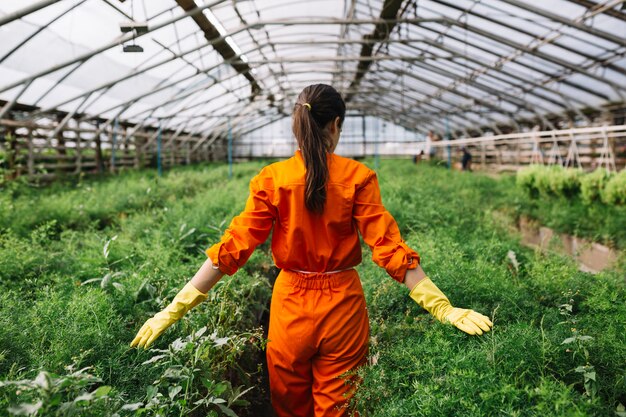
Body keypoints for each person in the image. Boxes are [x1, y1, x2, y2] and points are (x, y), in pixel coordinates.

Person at [130, 84, 493, 417]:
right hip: (343, 308)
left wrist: (172, 309)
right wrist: (441, 306)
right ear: (336, 124)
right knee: (339, 407)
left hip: (290, 306)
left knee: (289, 406)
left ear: (297, 125)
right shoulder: (358, 178)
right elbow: (388, 248)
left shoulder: (272, 179)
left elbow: (231, 249)